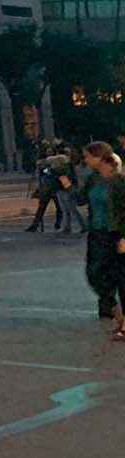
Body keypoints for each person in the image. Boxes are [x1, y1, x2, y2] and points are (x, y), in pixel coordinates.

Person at [78, 142, 125, 339]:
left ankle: (124, 323)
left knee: (121, 278)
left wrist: (124, 236)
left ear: (99, 158)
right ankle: (115, 310)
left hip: (114, 233)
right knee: (94, 273)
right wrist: (66, 182)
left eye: (88, 156)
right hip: (96, 234)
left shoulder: (119, 181)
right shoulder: (93, 179)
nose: (85, 160)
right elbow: (80, 199)